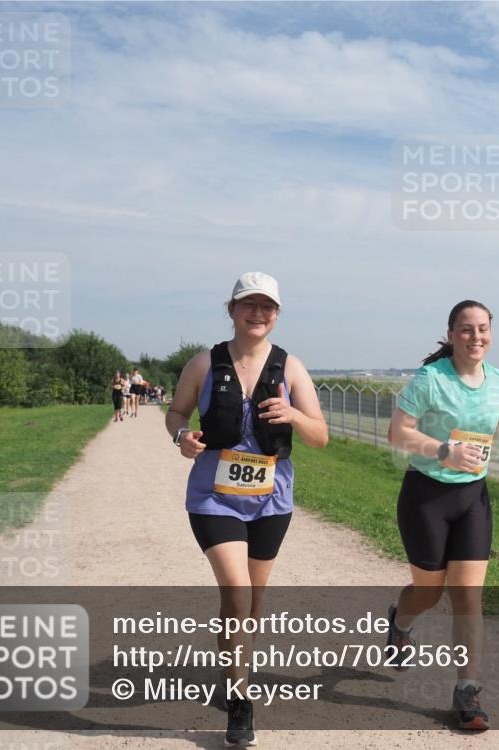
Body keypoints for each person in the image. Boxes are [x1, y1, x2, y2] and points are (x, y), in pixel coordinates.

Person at [165, 271, 328, 747]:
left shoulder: (291, 367)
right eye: (248, 305)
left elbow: (320, 436)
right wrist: (182, 437)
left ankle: (231, 667)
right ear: (232, 309)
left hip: (271, 500)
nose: (258, 314)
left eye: (267, 307)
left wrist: (294, 414)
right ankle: (240, 700)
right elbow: (176, 413)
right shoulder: (204, 363)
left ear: (276, 314)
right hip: (213, 497)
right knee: (237, 592)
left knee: (251, 602)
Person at [385, 300, 499, 731]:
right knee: (429, 594)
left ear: (491, 333)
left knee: (468, 596)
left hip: (472, 499)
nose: (475, 337)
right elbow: (397, 432)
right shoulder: (431, 378)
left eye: (483, 328)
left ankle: (467, 691)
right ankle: (400, 622)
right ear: (451, 335)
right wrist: (443, 450)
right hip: (426, 496)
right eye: (466, 329)